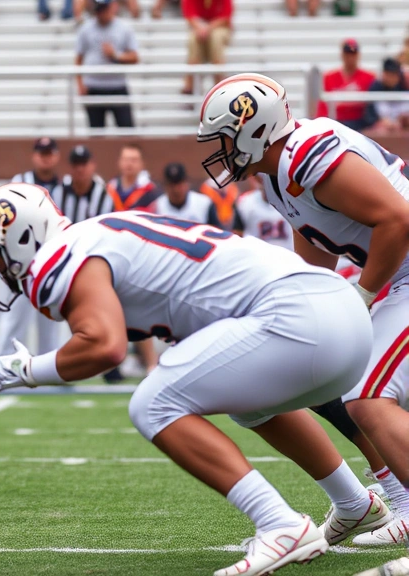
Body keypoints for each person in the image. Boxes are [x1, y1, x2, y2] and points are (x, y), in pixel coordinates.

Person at [0, 184, 388, 576]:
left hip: (298, 316)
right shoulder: (96, 233)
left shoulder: (59, 256)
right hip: (336, 312)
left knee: (151, 403)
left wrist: (28, 371)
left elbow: (103, 346)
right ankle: (353, 502)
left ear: (22, 237)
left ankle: (279, 523)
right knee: (248, 406)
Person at [197, 73, 409, 565]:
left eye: (225, 139)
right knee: (305, 360)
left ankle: (396, 499)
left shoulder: (306, 152)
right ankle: (364, 503)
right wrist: (303, 308)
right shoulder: (276, 173)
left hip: (404, 273)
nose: (221, 152)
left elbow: (397, 217)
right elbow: (315, 250)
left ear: (252, 129)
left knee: (368, 396)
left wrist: (361, 295)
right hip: (397, 275)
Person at [0, 137, 69, 358]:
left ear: (56, 156)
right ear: (34, 156)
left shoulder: (65, 187)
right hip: (22, 259)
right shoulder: (20, 182)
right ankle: (6, 363)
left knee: (51, 319)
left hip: (53, 260)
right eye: (41, 153)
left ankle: (50, 367)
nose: (45, 159)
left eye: (49, 153)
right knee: (15, 316)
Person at [75, 0, 138, 129]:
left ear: (113, 7)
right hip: (94, 86)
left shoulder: (124, 28)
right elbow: (78, 58)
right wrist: (80, 84)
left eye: (104, 8)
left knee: (126, 129)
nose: (101, 13)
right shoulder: (86, 28)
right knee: (96, 131)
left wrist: (115, 55)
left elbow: (134, 57)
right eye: (99, 9)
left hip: (117, 85)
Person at [316, 39, 375, 130]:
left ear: (358, 55)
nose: (350, 58)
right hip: (336, 121)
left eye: (353, 54)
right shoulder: (330, 77)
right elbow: (323, 105)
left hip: (360, 123)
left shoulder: (369, 77)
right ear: (342, 55)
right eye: (347, 54)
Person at [181, 0, 232, 96]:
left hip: (218, 29)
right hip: (200, 29)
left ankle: (218, 81)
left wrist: (207, 28)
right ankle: (191, 83)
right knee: (193, 39)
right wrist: (201, 28)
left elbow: (225, 17)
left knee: (216, 38)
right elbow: (189, 15)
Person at [232, 178, 293, 250]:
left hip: (287, 254)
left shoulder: (292, 201)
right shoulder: (245, 202)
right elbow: (237, 234)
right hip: (256, 256)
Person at [153, 163, 221, 226]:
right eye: (172, 185)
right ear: (165, 186)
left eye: (179, 184)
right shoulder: (157, 206)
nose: (176, 190)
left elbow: (217, 233)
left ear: (187, 183)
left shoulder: (204, 203)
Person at [361, 58, 409, 136]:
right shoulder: (375, 88)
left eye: (393, 75)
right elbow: (369, 116)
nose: (391, 79)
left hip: (402, 128)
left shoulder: (405, 86)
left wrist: (403, 120)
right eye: (388, 75)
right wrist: (381, 122)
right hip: (381, 128)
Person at [107, 143, 160, 211]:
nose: (129, 164)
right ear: (119, 162)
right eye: (125, 160)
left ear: (142, 164)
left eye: (134, 160)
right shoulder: (110, 189)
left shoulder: (151, 191)